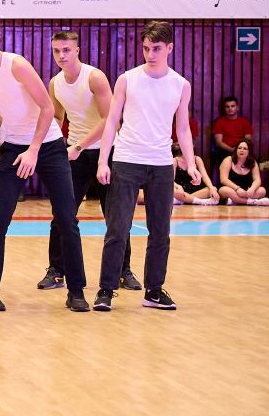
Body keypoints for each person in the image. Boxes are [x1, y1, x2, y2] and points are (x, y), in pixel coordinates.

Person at [0, 14, 87, 312]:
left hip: (48, 146)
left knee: (66, 218)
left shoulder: (17, 65)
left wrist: (34, 149)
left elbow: (47, 108)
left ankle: (76, 290)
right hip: (14, 147)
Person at [96, 21, 199, 311]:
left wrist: (191, 163)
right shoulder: (127, 79)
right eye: (145, 48)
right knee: (117, 230)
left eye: (156, 48)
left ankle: (153, 291)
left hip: (162, 164)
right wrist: (103, 160)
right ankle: (106, 290)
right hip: (126, 160)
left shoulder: (181, 85)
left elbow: (183, 128)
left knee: (160, 232)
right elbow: (111, 121)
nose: (150, 54)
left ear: (170, 48)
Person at [40, 31, 140, 293]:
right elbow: (57, 117)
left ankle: (123, 270)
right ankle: (56, 270)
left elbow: (110, 120)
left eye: (66, 50)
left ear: (77, 50)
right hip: (75, 154)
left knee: (116, 217)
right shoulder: (55, 83)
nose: (61, 55)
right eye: (56, 51)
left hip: (108, 152)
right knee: (62, 214)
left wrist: (79, 145)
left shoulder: (94, 77)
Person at [218, 141, 269, 205]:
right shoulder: (228, 160)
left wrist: (252, 189)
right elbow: (223, 180)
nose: (241, 150)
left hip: (247, 191)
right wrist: (237, 189)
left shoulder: (253, 162)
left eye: (245, 149)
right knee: (224, 190)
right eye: (239, 148)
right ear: (236, 150)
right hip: (232, 189)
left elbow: (257, 180)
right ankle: (253, 202)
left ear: (249, 151)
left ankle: (236, 200)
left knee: (262, 190)